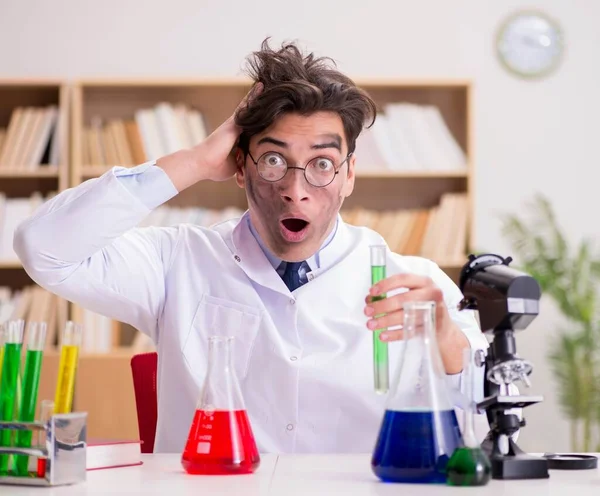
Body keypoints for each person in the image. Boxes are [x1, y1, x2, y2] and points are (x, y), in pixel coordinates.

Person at [14, 39, 489, 454]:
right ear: (240, 166)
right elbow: (44, 248)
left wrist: (445, 337)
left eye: (322, 163)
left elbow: (480, 423)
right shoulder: (177, 261)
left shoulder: (413, 285)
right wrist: (196, 161)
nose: (296, 189)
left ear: (348, 175)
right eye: (274, 160)